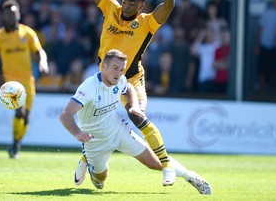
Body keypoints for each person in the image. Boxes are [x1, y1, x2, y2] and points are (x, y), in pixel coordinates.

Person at [77, 0, 176, 187]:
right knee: (96, 118)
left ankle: (167, 167)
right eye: (124, 0)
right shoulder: (110, 8)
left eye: (132, 3)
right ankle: (86, 157)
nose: (126, 5)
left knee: (137, 115)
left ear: (141, 6)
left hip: (131, 78)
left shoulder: (147, 22)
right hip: (103, 79)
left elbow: (169, 5)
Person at [60, 49, 212, 194]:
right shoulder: (89, 87)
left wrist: (134, 106)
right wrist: (78, 133)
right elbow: (65, 115)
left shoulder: (120, 80)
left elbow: (129, 89)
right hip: (94, 141)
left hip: (118, 130)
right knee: (100, 180)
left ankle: (191, 177)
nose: (119, 73)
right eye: (115, 68)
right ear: (104, 66)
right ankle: (86, 159)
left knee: (155, 163)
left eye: (121, 69)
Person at [0, 0, 49, 159]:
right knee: (19, 111)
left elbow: (39, 51)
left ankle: (16, 144)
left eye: (13, 13)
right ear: (4, 16)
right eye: (8, 14)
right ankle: (15, 145)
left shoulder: (27, 33)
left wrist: (43, 63)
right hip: (10, 81)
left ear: (19, 15)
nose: (11, 17)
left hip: (28, 80)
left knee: (26, 117)